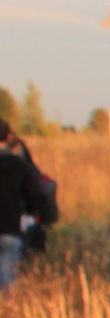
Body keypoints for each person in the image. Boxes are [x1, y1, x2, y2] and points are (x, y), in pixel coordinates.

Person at [0, 123, 55, 288]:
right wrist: (42, 216)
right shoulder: (19, 165)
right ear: (9, 137)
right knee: (7, 283)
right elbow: (37, 196)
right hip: (10, 229)